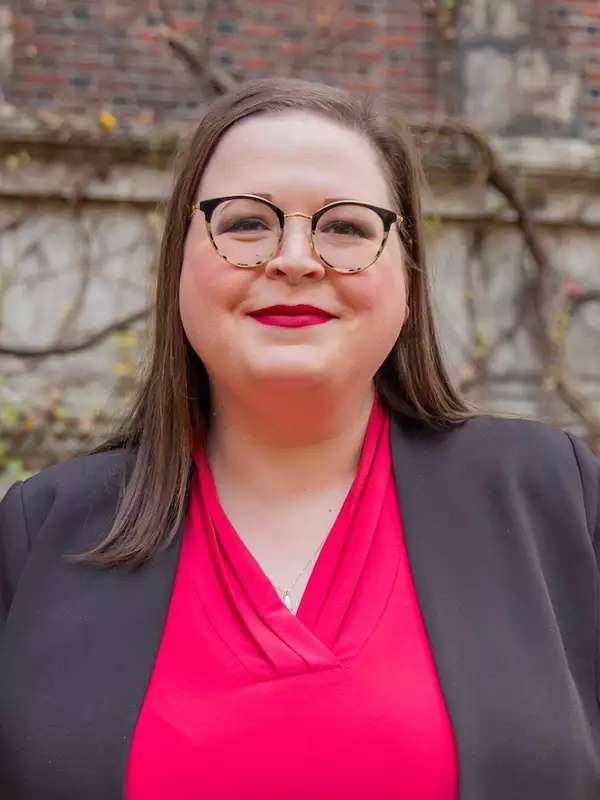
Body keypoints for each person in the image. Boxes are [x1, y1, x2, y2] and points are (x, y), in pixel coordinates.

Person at [0, 77, 599, 800]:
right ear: (179, 262)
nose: (294, 258)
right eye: (247, 222)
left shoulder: (550, 498)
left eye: (346, 227)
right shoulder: (40, 534)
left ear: (405, 275)